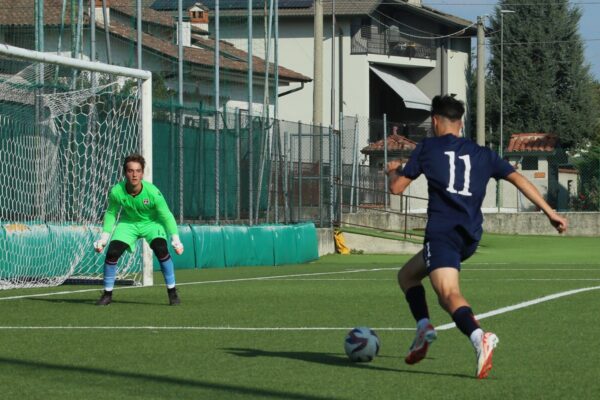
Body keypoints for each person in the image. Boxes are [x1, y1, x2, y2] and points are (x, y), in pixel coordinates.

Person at [386, 95, 567, 379]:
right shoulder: (484, 154)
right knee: (407, 276)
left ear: (434, 121)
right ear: (461, 124)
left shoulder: (427, 148)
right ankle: (424, 329)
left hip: (443, 233)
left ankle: (478, 336)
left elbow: (396, 188)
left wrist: (393, 170)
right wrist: (549, 211)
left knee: (448, 294)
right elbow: (519, 178)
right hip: (469, 236)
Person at [93, 154, 184, 306]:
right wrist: (104, 238)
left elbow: (167, 216)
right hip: (128, 224)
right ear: (125, 172)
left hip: (152, 224)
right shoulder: (116, 191)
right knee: (112, 252)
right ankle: (107, 294)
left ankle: (172, 292)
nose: (134, 175)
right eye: (130, 171)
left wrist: (176, 239)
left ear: (142, 173)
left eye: (138, 171)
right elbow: (111, 213)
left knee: (161, 249)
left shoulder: (153, 193)